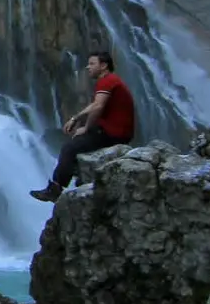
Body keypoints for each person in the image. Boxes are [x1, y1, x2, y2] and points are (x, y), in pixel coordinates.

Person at [30, 51, 136, 203]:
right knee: (79, 137)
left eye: (92, 63)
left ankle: (56, 189)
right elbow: (95, 106)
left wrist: (86, 127)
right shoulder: (112, 81)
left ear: (104, 66)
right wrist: (76, 119)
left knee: (69, 148)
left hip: (114, 133)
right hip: (116, 131)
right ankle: (71, 174)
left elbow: (98, 107)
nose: (88, 67)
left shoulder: (107, 81)